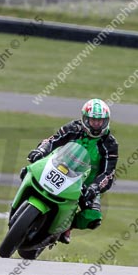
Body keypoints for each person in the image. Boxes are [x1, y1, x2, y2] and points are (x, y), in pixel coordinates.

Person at [26, 98, 118, 244]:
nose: (96, 124)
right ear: (85, 119)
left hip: (84, 184)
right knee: (28, 170)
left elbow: (108, 173)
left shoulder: (110, 144)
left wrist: (94, 188)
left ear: (106, 121)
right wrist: (40, 150)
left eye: (100, 121)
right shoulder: (73, 128)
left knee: (93, 218)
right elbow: (52, 140)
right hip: (58, 167)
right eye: (93, 120)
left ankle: (67, 225)